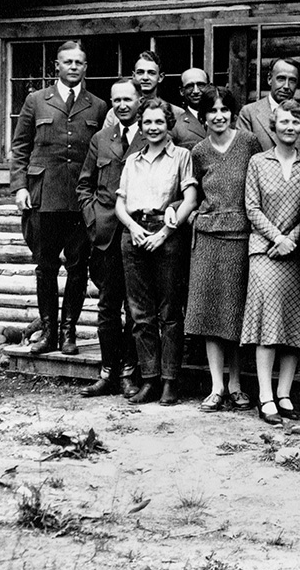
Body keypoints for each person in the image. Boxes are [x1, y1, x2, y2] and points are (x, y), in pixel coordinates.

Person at [11, 39, 108, 356]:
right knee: (46, 267)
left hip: (80, 200)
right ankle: (48, 333)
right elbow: (20, 148)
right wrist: (20, 187)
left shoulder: (97, 106)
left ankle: (69, 334)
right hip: (44, 196)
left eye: (79, 63)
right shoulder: (36, 100)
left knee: (79, 268)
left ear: (85, 68)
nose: (73, 67)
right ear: (57, 65)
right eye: (68, 62)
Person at [115, 98, 198, 405]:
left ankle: (169, 382)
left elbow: (189, 199)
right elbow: (120, 204)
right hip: (134, 236)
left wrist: (164, 233)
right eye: (147, 122)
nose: (152, 128)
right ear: (141, 125)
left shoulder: (181, 156)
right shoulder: (133, 160)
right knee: (140, 314)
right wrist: (133, 228)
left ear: (168, 125)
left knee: (170, 313)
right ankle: (148, 380)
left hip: (167, 236)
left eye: (158, 122)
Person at [185, 85, 262, 412]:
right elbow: (193, 195)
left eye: (224, 110)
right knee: (209, 315)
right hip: (207, 240)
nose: (218, 116)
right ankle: (217, 387)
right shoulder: (198, 152)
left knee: (236, 314)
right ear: (203, 115)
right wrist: (188, 216)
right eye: (212, 111)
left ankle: (236, 383)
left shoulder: (248, 143)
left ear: (232, 113)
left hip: (241, 238)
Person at [242, 100, 300, 424]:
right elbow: (252, 207)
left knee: (292, 324)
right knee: (267, 325)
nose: (289, 127)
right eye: (283, 122)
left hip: (296, 253)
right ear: (273, 126)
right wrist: (278, 238)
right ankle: (265, 395)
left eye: (295, 123)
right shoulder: (259, 162)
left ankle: (285, 393)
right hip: (265, 251)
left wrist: (292, 240)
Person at [76, 79, 146, 398]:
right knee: (107, 306)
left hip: (137, 233)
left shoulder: (151, 135)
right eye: (115, 100)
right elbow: (84, 186)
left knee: (135, 308)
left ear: (139, 100)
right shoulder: (101, 139)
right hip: (105, 235)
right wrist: (93, 220)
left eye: (127, 99)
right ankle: (108, 372)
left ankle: (130, 372)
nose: (121, 105)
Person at [236, 58, 300, 156]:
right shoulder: (249, 113)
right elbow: (242, 156)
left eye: (292, 80)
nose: (286, 86)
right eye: (281, 79)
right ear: (270, 79)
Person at [105, 50, 181, 130]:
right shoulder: (115, 113)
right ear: (133, 76)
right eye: (140, 72)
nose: (145, 78)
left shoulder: (176, 112)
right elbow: (106, 139)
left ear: (160, 77)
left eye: (151, 73)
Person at [171, 67, 209, 150]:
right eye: (189, 86)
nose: (196, 91)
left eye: (200, 85)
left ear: (209, 87)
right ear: (181, 91)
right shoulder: (176, 126)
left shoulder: (226, 119)